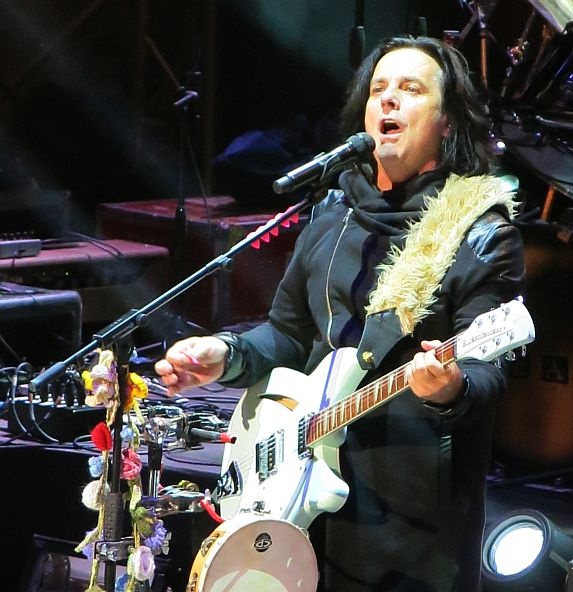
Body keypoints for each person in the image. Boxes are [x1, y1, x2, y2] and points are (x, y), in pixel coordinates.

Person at [155, 35, 525, 591]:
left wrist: (450, 387)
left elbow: (489, 375)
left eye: (410, 89)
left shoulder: (480, 233)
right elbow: (288, 335)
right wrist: (226, 356)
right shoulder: (333, 211)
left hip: (407, 516)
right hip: (296, 496)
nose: (389, 99)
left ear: (447, 121)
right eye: (379, 89)